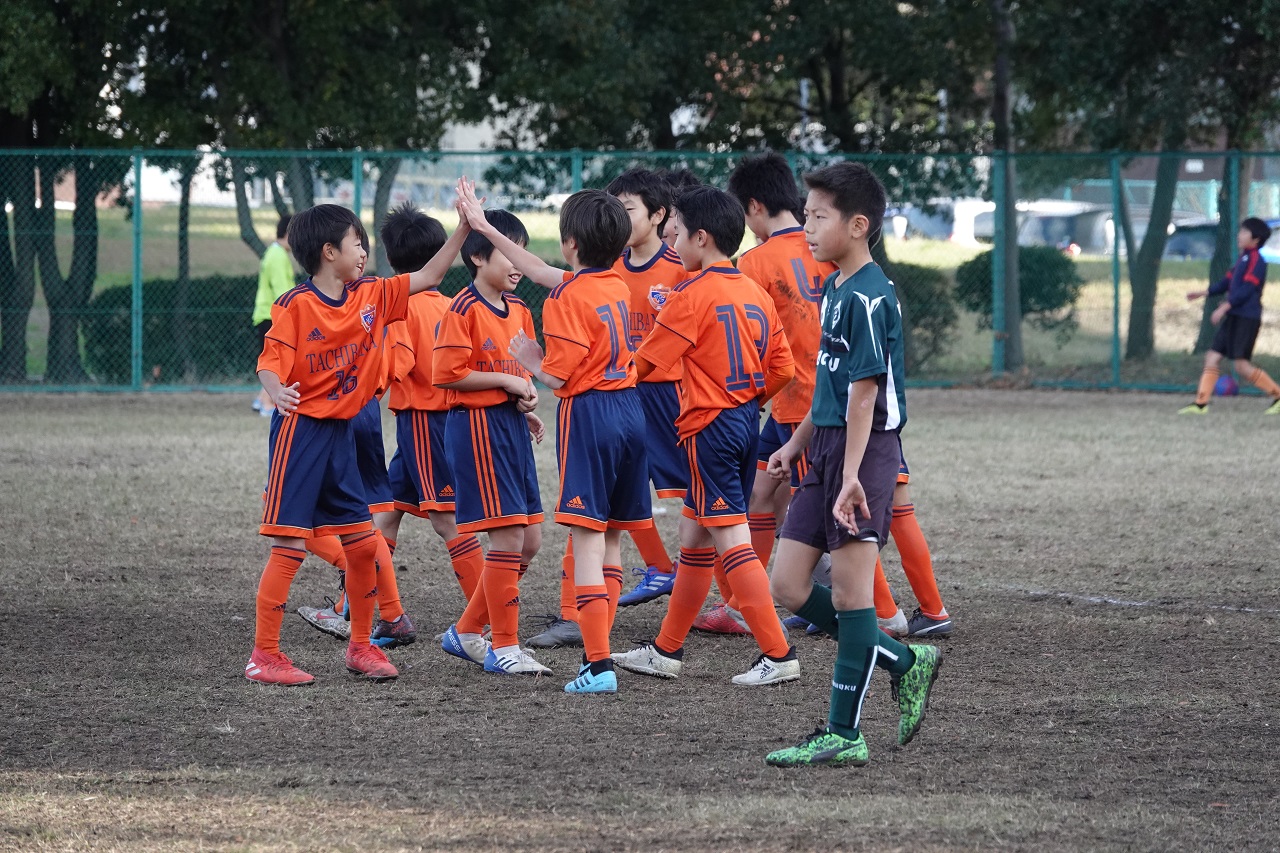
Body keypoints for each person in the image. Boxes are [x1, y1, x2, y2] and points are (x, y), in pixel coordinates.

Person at [245, 201, 470, 686]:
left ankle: (361, 646)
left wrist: (464, 228)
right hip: (301, 435)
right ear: (330, 252)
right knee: (289, 545)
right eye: (356, 243)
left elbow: (430, 275)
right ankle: (265, 656)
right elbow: (270, 360)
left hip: (343, 435)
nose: (365, 251)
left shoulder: (372, 295)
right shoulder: (294, 305)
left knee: (364, 544)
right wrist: (275, 389)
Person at [762, 162, 941, 767]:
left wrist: (851, 478)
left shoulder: (868, 295)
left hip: (866, 454)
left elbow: (865, 397)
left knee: (849, 596)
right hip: (829, 446)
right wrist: (797, 442)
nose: (807, 228)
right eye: (806, 215)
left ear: (858, 225)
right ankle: (904, 660)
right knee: (788, 584)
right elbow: (832, 387)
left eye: (818, 217)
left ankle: (844, 733)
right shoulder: (835, 287)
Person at [459, 186, 650, 694]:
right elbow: (541, 270)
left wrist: (531, 360)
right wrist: (485, 226)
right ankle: (598, 655)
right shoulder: (615, 283)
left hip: (592, 415)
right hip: (631, 411)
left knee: (586, 540)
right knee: (611, 537)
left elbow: (559, 377)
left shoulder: (565, 299)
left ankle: (597, 665)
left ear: (569, 243)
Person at [611, 185, 801, 686]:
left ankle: (779, 655)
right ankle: (665, 651)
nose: (671, 243)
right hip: (743, 423)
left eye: (676, 234)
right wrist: (748, 400)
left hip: (709, 429)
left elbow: (642, 367)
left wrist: (581, 375)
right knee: (694, 539)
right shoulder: (754, 292)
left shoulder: (690, 296)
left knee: (732, 540)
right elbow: (783, 369)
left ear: (701, 238)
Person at [692, 152, 838, 636]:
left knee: (817, 513)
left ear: (753, 206)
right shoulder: (828, 249)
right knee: (758, 496)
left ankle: (873, 610)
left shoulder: (754, 261)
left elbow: (742, 338)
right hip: (797, 397)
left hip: (799, 402)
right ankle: (741, 605)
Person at [434, 202, 550, 677]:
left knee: (530, 541)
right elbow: (448, 374)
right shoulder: (462, 308)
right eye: (508, 251)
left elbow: (523, 373)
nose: (517, 262)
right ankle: (504, 646)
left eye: (521, 251)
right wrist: (505, 383)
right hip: (476, 430)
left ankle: (466, 631)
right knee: (509, 536)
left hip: (509, 429)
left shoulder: (520, 310)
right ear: (479, 256)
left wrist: (526, 404)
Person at [1180, 218, 1278, 414]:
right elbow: (1227, 283)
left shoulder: (1257, 260)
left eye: (1244, 232)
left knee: (1241, 366)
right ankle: (1200, 404)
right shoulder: (1243, 259)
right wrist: (1204, 293)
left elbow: (1247, 290)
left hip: (1246, 318)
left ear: (1256, 239)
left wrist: (1225, 306)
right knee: (1212, 357)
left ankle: (1278, 395)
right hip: (1234, 316)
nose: (1239, 235)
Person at [252, 215, 294, 416]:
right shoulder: (278, 256)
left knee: (273, 359)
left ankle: (261, 400)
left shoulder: (274, 252)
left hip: (266, 314)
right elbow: (282, 292)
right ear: (288, 234)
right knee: (277, 362)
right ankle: (268, 404)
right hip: (273, 316)